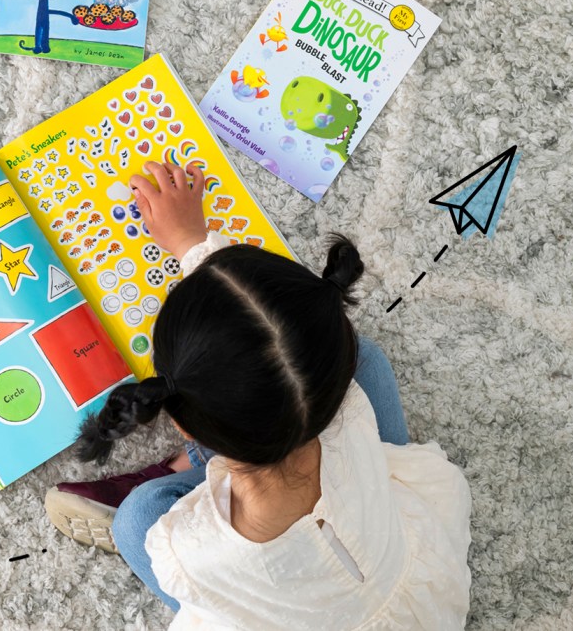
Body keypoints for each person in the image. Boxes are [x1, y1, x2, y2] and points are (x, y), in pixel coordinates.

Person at [44, 161, 472, 629]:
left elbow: (211, 612)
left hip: (281, 590)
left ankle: (182, 469)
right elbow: (273, 335)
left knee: (137, 517)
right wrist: (192, 242)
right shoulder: (349, 407)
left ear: (185, 427)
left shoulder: (190, 550)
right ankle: (209, 449)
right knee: (361, 358)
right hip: (419, 592)